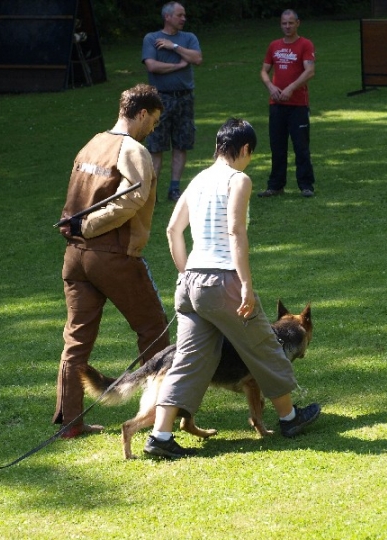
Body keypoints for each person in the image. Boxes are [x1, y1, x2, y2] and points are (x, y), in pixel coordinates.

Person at [144, 118, 321, 459]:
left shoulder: (196, 180)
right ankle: (289, 417)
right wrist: (245, 286)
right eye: (250, 154)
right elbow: (236, 233)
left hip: (191, 282)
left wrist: (185, 274)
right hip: (222, 280)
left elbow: (171, 231)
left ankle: (160, 436)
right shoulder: (237, 180)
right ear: (243, 150)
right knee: (265, 346)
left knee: (188, 360)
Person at [52, 84, 171, 439]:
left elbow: (75, 194)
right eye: (154, 120)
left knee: (76, 340)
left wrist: (73, 224)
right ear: (142, 113)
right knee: (155, 331)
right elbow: (131, 201)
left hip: (75, 256)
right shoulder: (133, 150)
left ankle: (70, 423)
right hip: (113, 256)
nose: (154, 128)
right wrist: (88, 225)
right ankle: (164, 415)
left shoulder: (92, 143)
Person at [142, 1, 203, 202]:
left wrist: (174, 46)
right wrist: (179, 66)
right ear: (167, 17)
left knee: (181, 144)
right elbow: (152, 66)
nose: (183, 18)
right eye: (180, 15)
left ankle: (174, 189)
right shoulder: (151, 39)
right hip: (160, 100)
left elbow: (197, 58)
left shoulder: (188, 38)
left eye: (184, 15)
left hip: (185, 98)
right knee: (156, 146)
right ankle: (151, 192)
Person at [258, 9, 316, 198]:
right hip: (276, 103)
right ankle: (275, 185)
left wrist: (291, 87)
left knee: (301, 146)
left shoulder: (305, 44)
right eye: (284, 23)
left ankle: (306, 185)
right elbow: (264, 70)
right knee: (277, 145)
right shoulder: (274, 45)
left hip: (298, 105)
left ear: (298, 23)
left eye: (291, 23)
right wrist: (271, 87)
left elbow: (310, 71)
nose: (287, 26)